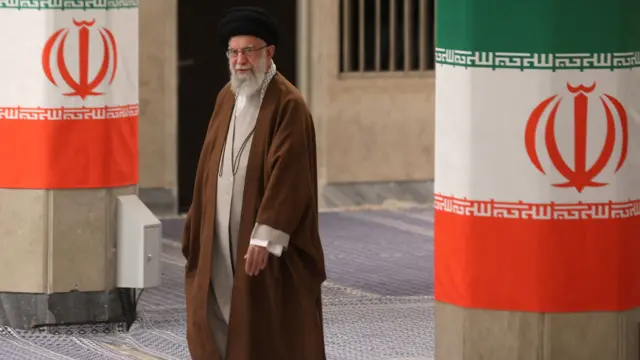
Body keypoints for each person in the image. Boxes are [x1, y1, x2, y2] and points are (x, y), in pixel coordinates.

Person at [180, 6, 327, 360]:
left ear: (269, 52)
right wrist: (197, 220)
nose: (241, 60)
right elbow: (207, 165)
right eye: (234, 52)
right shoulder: (226, 96)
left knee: (263, 319)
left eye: (249, 51)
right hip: (218, 231)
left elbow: (290, 176)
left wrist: (265, 236)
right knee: (213, 307)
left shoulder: (288, 103)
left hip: (259, 236)